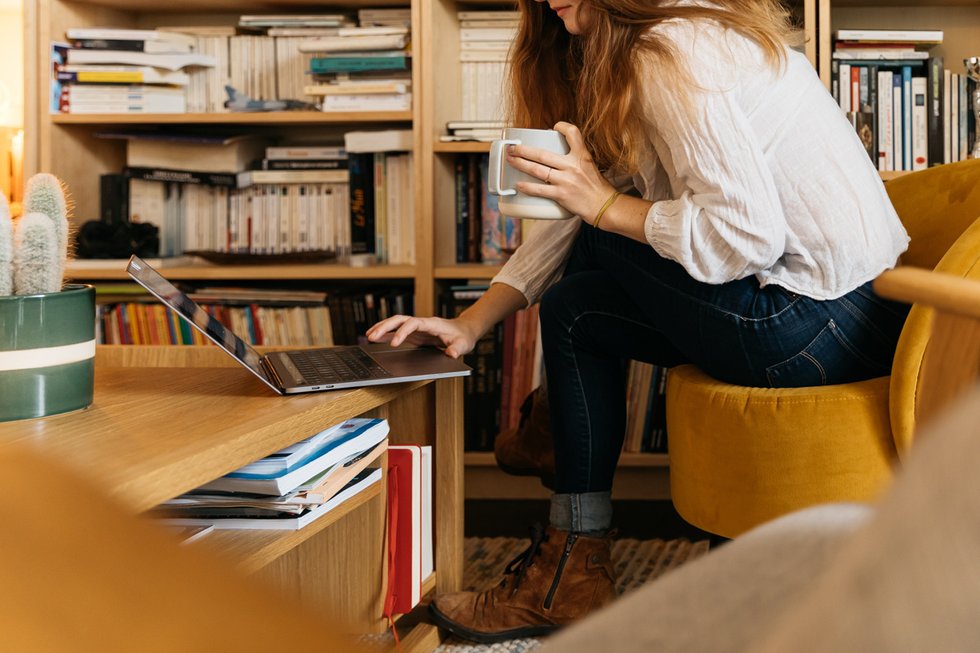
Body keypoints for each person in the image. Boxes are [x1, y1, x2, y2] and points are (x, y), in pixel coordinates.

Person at [366, 0, 910, 644]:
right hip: (856, 318)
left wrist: (602, 205)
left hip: (815, 322)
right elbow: (584, 218)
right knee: (577, 305)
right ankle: (571, 552)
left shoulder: (671, 48)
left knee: (600, 241)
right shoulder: (662, 41)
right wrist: (473, 322)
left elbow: (744, 236)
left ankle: (555, 458)